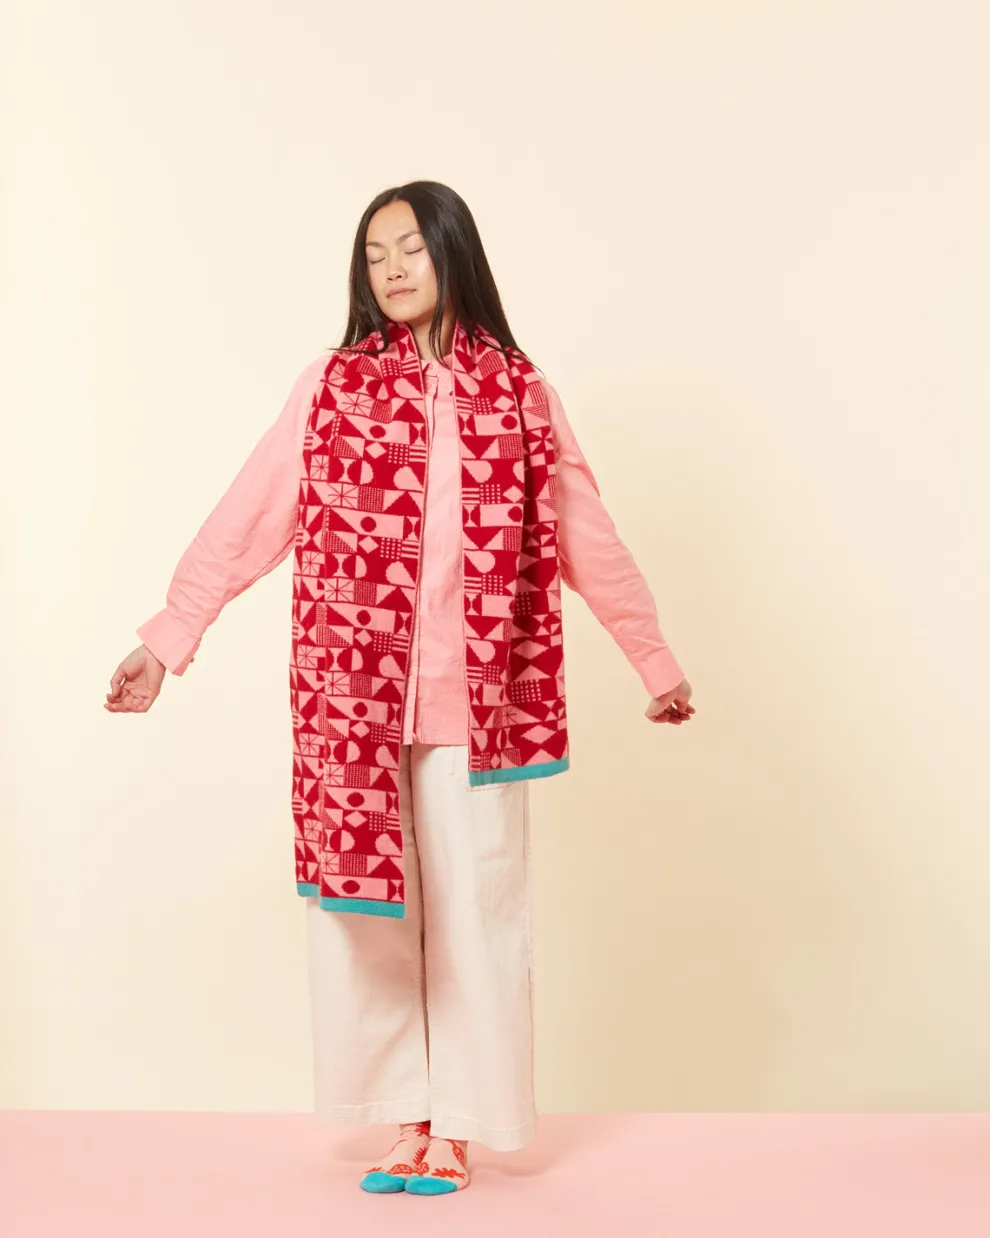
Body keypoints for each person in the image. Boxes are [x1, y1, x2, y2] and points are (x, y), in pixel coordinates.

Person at [104, 181, 695, 1196]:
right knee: (369, 917)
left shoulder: (520, 394)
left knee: (477, 912)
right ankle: (407, 1113)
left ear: (453, 252)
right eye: (374, 253)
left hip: (481, 707)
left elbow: (586, 533)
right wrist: (168, 636)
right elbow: (248, 517)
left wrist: (655, 658)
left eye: (411, 248)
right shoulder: (331, 387)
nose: (391, 269)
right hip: (355, 702)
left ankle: (461, 1122)